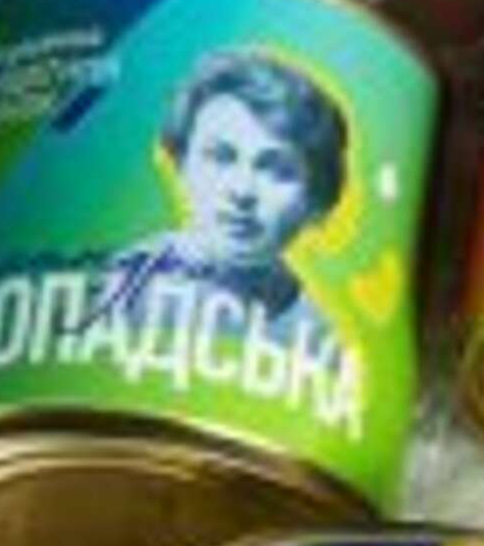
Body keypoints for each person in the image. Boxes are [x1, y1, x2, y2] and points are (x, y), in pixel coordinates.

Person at [137, 48, 349, 344]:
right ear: (182, 164)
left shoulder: (318, 341)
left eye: (277, 170)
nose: (242, 191)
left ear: (315, 199)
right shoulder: (112, 291)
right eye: (221, 157)